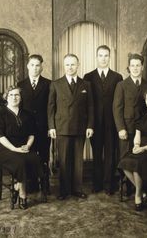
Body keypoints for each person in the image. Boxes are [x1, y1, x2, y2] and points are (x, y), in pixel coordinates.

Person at [48, 54, 94, 200]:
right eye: (67, 64)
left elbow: (91, 107)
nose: (70, 67)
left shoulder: (86, 84)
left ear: (78, 65)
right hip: (62, 127)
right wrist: (51, 127)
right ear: (64, 66)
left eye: (73, 64)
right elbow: (51, 107)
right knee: (63, 160)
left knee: (78, 161)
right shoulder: (56, 84)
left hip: (80, 127)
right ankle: (64, 190)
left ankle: (77, 189)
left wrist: (90, 126)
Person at [0, 86, 46, 210]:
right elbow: (0, 136)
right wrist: (14, 149)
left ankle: (17, 186)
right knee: (20, 162)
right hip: (6, 150)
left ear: (21, 98)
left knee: (36, 158)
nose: (14, 97)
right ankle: (23, 194)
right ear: (7, 97)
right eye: (11, 95)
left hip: (23, 147)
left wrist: (27, 145)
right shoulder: (0, 114)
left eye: (17, 95)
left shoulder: (27, 114)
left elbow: (32, 134)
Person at [84, 45, 122, 194]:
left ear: (110, 57)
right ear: (96, 57)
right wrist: (89, 124)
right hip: (95, 123)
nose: (103, 58)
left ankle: (109, 184)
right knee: (97, 153)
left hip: (112, 122)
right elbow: (86, 103)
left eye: (106, 55)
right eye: (100, 55)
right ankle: (97, 183)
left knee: (111, 154)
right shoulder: (88, 77)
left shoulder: (117, 77)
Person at [113, 53, 147, 195]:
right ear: (128, 68)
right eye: (132, 65)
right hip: (126, 129)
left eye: (138, 65)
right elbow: (117, 108)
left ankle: (138, 190)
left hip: (143, 129)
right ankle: (138, 190)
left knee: (139, 161)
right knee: (125, 160)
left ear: (142, 67)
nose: (135, 68)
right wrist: (120, 129)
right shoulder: (121, 85)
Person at [18, 54, 51, 193]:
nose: (35, 68)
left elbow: (51, 107)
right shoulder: (21, 85)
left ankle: (45, 185)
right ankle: (31, 184)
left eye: (38, 65)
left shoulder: (49, 84)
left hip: (44, 127)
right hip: (28, 128)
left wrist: (51, 126)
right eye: (32, 65)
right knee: (29, 155)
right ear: (27, 66)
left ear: (42, 67)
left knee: (44, 156)